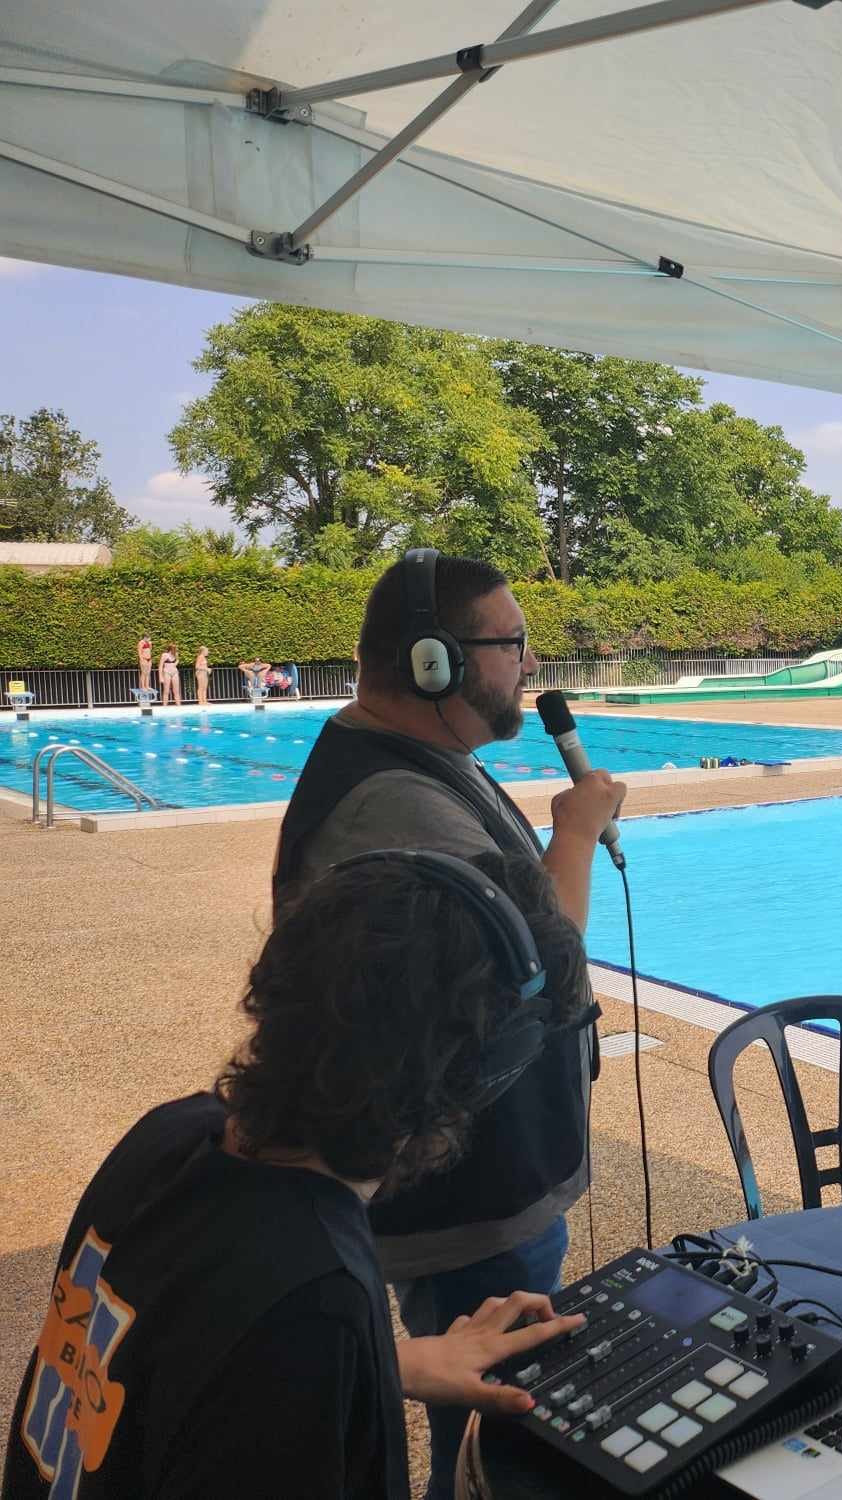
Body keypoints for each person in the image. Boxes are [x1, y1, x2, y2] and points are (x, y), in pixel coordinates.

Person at [4, 850, 591, 1499]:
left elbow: (175, 1371)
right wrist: (325, 1360)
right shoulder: (312, 1300)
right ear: (478, 1076)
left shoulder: (168, 1136)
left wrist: (379, 1365)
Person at [273, 549, 624, 1500]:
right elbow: (546, 966)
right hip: (469, 1205)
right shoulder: (395, 799)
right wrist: (578, 835)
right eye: (511, 643)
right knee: (490, 1452)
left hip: (489, 1182)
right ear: (435, 662)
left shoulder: (424, 760)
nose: (529, 663)